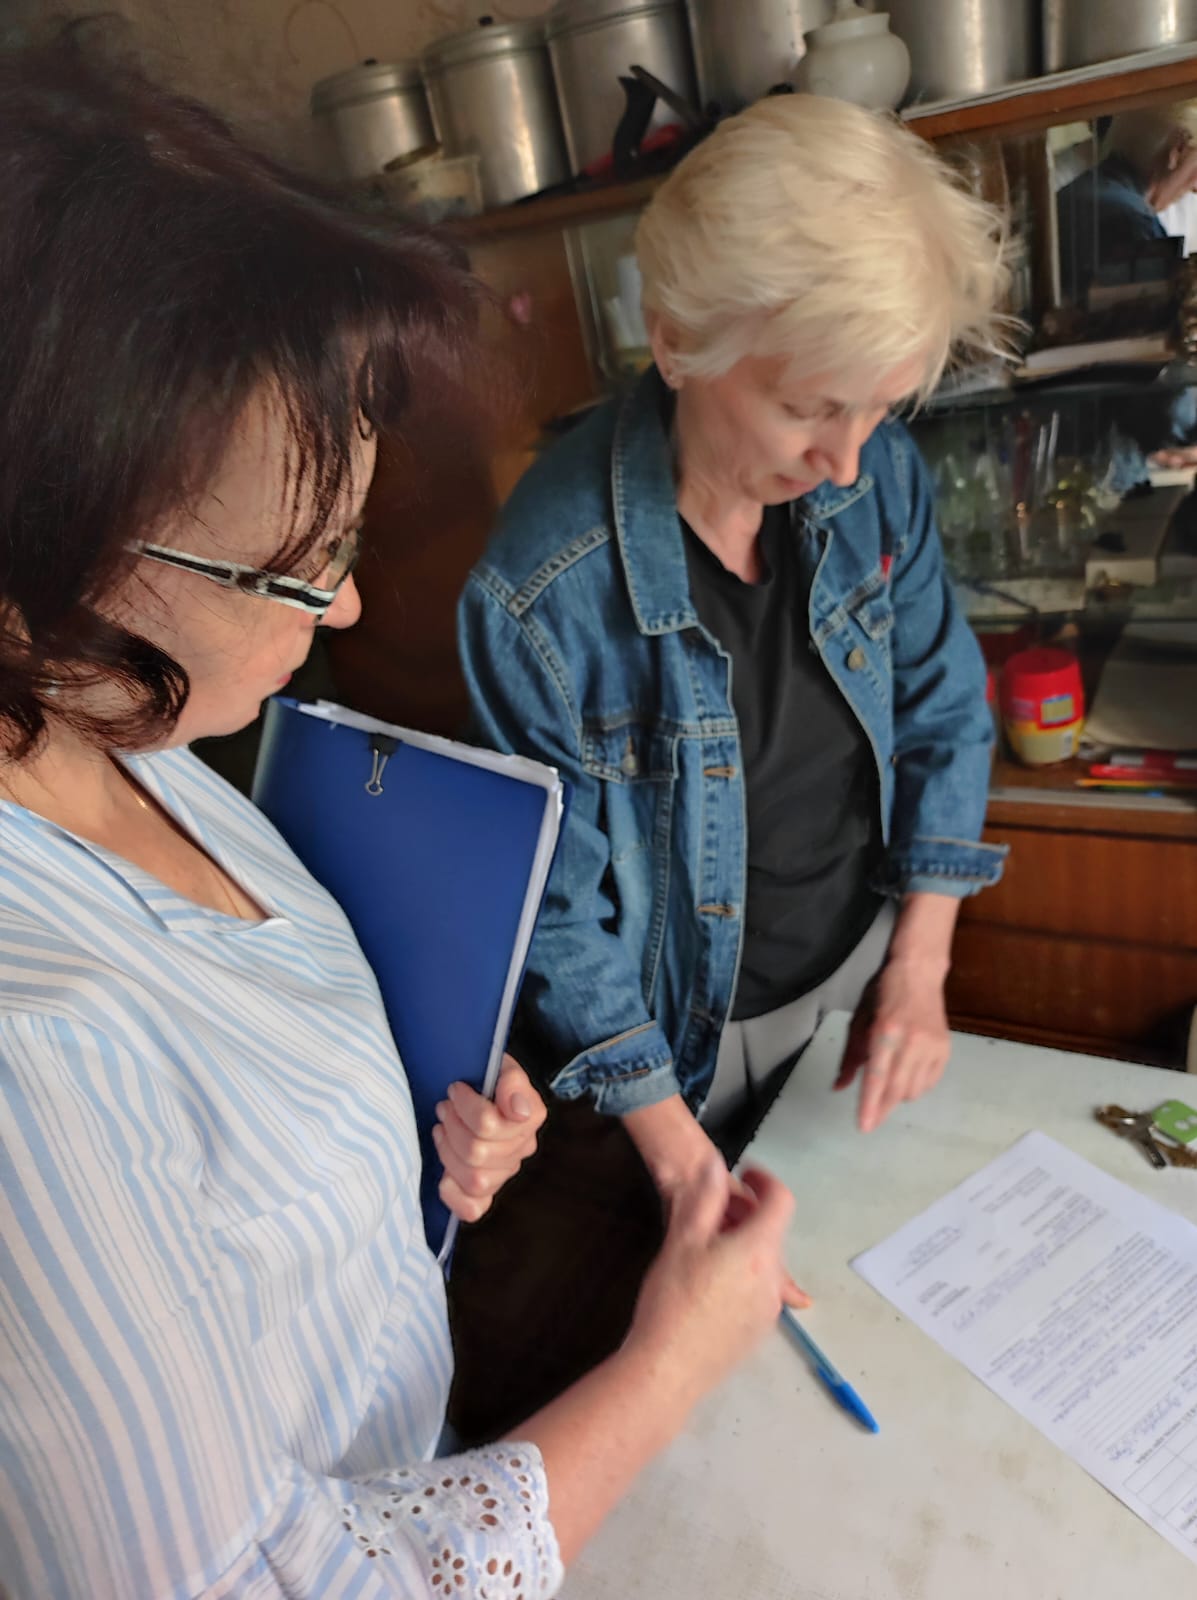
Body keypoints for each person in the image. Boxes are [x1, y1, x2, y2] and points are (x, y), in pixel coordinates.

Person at [0, 32, 802, 1599]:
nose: (351, 606)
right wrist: (676, 1354)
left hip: (419, 1447)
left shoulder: (135, 736)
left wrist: (415, 1145)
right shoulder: (31, 1054)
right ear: (49, 558)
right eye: (301, 565)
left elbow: (242, 1183)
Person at [458, 93, 1010, 1212]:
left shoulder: (873, 473)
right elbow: (557, 915)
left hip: (863, 965)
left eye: (878, 409)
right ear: (676, 340)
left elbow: (943, 705)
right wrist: (679, 1161)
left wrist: (918, 964)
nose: (846, 463)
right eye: (809, 408)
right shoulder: (542, 598)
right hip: (675, 1053)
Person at [1057, 102, 1197, 305]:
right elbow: (1151, 319)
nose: (1195, 188)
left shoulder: (1080, 192)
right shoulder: (1130, 222)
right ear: (1178, 149)